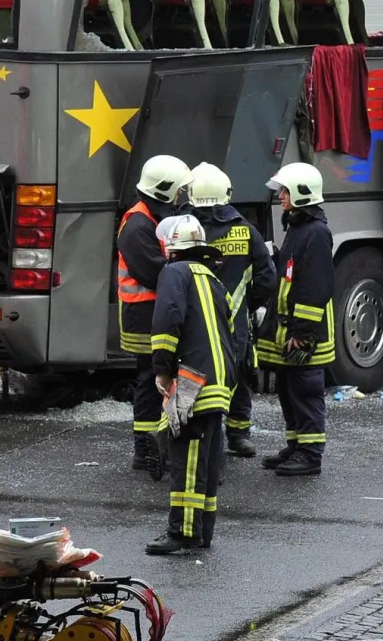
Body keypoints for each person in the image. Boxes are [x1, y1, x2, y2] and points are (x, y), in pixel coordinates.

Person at [144, 214, 235, 556]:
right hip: (220, 381)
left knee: (187, 458)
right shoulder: (214, 279)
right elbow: (235, 333)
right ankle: (202, 531)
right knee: (208, 461)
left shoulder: (174, 273)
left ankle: (181, 532)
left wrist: (162, 369)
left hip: (193, 381)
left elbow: (167, 320)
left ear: (171, 247)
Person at [187, 162, 276, 460]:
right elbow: (266, 277)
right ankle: (238, 436)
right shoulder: (246, 231)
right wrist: (249, 306)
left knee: (196, 378)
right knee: (237, 375)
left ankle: (197, 435)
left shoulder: (186, 229)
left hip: (194, 323)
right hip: (236, 322)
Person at [258, 162, 335, 478]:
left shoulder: (315, 233)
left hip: (306, 332)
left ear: (303, 194)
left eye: (286, 191)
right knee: (289, 390)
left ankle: (310, 454)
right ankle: (296, 446)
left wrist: (302, 333)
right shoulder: (299, 227)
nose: (280, 196)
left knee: (305, 390)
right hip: (290, 328)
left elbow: (315, 286)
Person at [118, 154, 191, 481]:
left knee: (157, 380)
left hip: (152, 315)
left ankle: (156, 447)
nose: (181, 198)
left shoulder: (150, 219)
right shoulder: (137, 226)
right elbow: (155, 272)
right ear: (163, 191)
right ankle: (145, 451)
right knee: (150, 382)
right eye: (177, 191)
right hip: (143, 318)